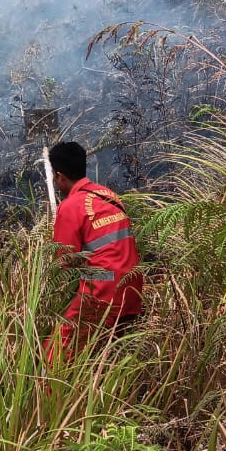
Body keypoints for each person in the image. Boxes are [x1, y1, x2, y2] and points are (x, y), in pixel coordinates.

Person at [45, 141, 143, 364]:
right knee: (109, 355)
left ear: (59, 176)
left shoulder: (70, 207)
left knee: (56, 354)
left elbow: (64, 264)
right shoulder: (109, 195)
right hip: (133, 286)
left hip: (105, 290)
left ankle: (52, 396)